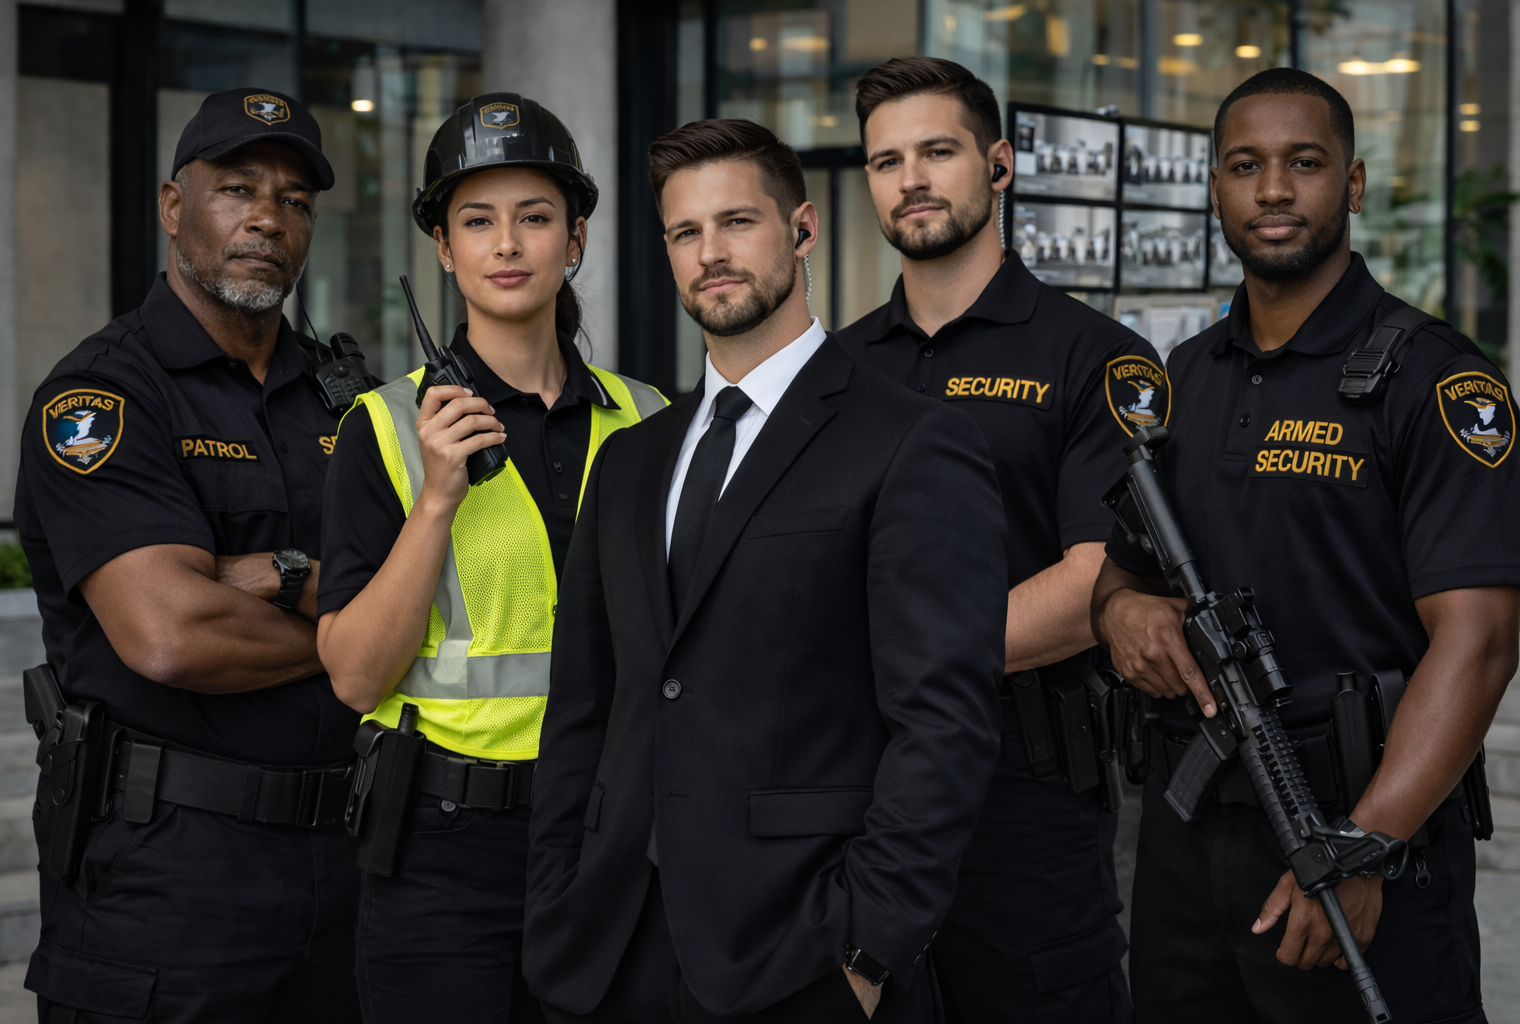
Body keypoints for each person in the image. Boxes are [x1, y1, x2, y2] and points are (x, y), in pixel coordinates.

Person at [524, 118, 1008, 1023]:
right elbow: (585, 706)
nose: (711, 253)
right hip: (608, 950)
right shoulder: (630, 459)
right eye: (684, 233)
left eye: (737, 222)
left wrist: (868, 949)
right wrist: (556, 894)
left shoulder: (909, 442)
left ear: (802, 227)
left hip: (804, 951)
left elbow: (945, 724)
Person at [1091, 68, 1519, 1023]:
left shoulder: (1435, 380)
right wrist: (1122, 614)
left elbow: (1481, 640)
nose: (1273, 191)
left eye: (1305, 163)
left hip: (1360, 832)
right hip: (1185, 836)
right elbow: (1120, 575)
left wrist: (1366, 845)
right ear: (1216, 189)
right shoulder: (1185, 377)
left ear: (1353, 186)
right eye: (1245, 166)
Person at [314, 93, 666, 1023]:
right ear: (444, 248)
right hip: (442, 853)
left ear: (575, 238)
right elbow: (353, 675)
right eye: (477, 220)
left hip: (608, 834)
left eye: (535, 217)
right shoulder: (385, 428)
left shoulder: (650, 420)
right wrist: (436, 500)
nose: (507, 243)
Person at [14, 89, 363, 1021]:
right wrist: (360, 621)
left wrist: (266, 578)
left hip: (352, 871)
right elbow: (173, 634)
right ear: (175, 208)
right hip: (166, 880)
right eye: (236, 188)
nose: (266, 217)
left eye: (293, 199)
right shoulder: (99, 398)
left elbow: (435, 585)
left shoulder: (349, 402)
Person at [834, 56, 1159, 1021]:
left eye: (938, 151)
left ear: (1001, 164)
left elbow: (1093, 582)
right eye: (887, 161)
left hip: (1024, 799)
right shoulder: (838, 368)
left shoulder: (1092, 354)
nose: (912, 180)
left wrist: (894, 661)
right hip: (858, 791)